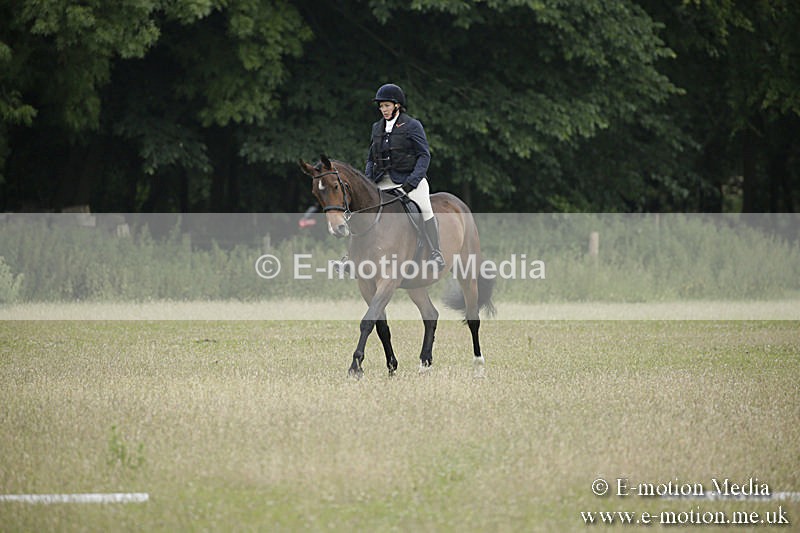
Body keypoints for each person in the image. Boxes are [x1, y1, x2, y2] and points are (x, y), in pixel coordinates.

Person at [365, 83, 446, 271]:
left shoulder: (411, 125)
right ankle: (351, 257)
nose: (383, 109)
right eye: (381, 106)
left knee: (425, 208)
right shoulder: (377, 128)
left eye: (386, 105)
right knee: (363, 211)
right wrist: (368, 181)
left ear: (397, 105)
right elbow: (371, 159)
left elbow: (424, 155)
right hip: (382, 181)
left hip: (409, 180)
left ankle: (436, 252)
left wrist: (412, 182)